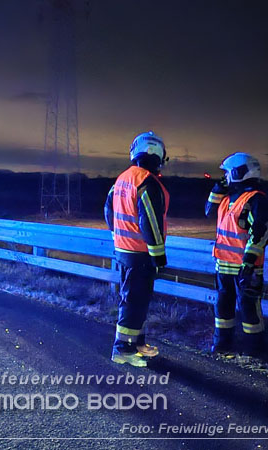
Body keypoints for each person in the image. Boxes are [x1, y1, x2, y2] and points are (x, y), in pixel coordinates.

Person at [104, 131, 169, 368]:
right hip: (141, 254)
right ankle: (123, 349)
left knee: (135, 300)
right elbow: (150, 221)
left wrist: (117, 234)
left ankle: (137, 342)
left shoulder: (122, 178)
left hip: (123, 251)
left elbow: (108, 210)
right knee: (133, 301)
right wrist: (158, 255)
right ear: (160, 154)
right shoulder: (147, 182)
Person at [205, 153, 268, 355]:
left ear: (239, 172)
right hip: (223, 266)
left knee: (249, 310)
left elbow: (259, 233)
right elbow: (209, 210)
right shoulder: (228, 199)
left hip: (246, 269)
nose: (226, 177)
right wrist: (217, 189)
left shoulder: (256, 199)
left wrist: (248, 264)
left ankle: (254, 351)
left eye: (227, 173)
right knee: (223, 309)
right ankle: (222, 346)